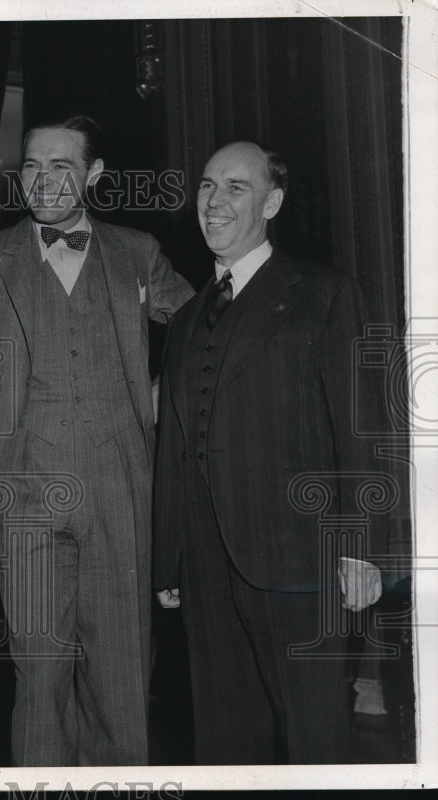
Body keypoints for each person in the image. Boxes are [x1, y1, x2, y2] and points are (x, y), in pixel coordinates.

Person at [0, 115, 194, 766]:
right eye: (33, 165)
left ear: (92, 175)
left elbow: (206, 330)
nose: (43, 178)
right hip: (23, 482)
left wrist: (160, 395)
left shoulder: (136, 250)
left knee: (123, 671)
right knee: (38, 672)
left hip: (120, 480)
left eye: (60, 165)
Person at [152, 141, 387, 763]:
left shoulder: (323, 293)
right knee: (225, 745)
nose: (215, 201)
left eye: (235, 187)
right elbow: (174, 448)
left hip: (298, 562)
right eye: (206, 186)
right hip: (205, 570)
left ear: (272, 202)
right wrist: (169, 560)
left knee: (315, 742)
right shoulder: (184, 321)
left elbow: (359, 427)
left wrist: (360, 549)